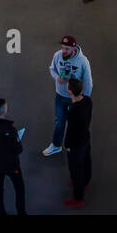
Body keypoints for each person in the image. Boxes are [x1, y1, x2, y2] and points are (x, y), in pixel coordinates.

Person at [42, 36, 93, 156]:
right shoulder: (57, 55)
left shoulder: (83, 61)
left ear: (74, 48)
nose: (63, 51)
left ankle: (74, 147)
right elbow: (52, 69)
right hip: (60, 96)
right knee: (59, 122)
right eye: (62, 48)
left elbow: (88, 82)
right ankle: (56, 145)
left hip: (74, 99)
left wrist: (84, 101)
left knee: (74, 124)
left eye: (67, 49)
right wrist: (57, 77)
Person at [63, 77, 92, 207]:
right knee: (86, 162)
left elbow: (70, 131)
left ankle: (78, 198)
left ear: (69, 91)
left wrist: (67, 145)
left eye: (67, 86)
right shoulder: (88, 101)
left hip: (76, 145)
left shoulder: (73, 111)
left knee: (76, 170)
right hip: (85, 138)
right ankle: (85, 182)